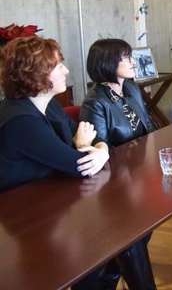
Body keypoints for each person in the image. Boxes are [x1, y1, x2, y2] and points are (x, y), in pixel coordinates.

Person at [0, 36, 110, 289]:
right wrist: (86, 148)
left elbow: (97, 137)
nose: (67, 71)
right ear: (36, 74)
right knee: (95, 247)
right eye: (59, 65)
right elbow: (78, 165)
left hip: (52, 204)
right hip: (20, 220)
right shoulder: (20, 120)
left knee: (110, 242)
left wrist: (100, 151)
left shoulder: (47, 106)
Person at [80, 38, 157, 289]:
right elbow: (98, 147)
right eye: (126, 58)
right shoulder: (95, 101)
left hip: (140, 172)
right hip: (113, 185)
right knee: (133, 233)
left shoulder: (132, 88)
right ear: (107, 63)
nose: (133, 62)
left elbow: (147, 128)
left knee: (147, 221)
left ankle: (109, 277)